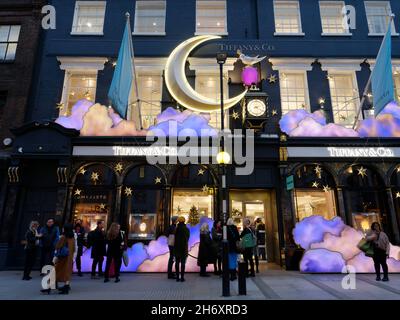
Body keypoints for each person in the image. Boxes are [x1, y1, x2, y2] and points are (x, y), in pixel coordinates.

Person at [42, 223, 76, 294]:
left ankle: (49, 287)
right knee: (67, 272)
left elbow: (58, 246)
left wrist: (56, 256)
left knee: (55, 271)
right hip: (69, 258)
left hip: (62, 258)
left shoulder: (64, 237)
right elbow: (74, 248)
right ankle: (66, 287)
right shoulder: (72, 237)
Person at [174, 216, 190, 282]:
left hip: (177, 247)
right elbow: (188, 238)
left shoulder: (176, 229)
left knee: (177, 262)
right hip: (184, 248)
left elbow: (174, 237)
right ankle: (182, 277)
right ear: (184, 221)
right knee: (183, 263)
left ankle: (177, 277)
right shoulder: (186, 229)